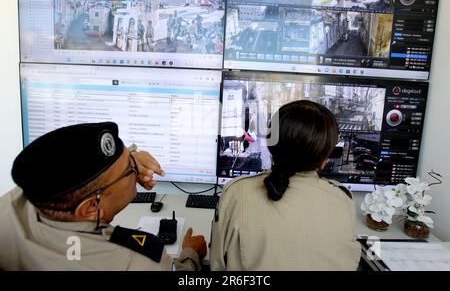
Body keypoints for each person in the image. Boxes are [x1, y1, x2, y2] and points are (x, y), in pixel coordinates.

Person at [0, 122, 207, 270]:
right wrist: (190, 255)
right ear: (91, 207)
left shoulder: (16, 201)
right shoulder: (137, 261)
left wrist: (128, 159)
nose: (136, 169)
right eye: (129, 169)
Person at [209, 100, 361, 270]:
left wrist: (191, 255)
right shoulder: (342, 201)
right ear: (324, 160)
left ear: (271, 145)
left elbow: (217, 266)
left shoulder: (236, 193)